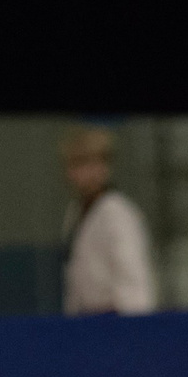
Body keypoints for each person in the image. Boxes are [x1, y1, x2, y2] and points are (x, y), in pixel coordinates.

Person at [60, 127, 155, 316]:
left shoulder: (116, 213)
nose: (72, 174)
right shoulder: (77, 211)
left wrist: (136, 333)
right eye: (71, 166)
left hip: (115, 320)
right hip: (86, 320)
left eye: (81, 164)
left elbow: (133, 280)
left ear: (102, 167)